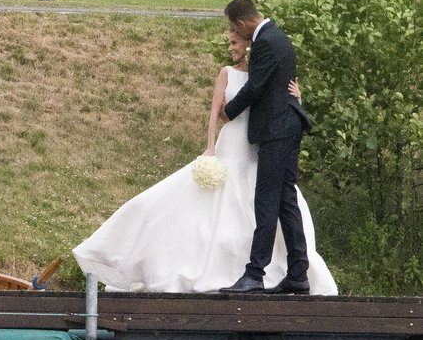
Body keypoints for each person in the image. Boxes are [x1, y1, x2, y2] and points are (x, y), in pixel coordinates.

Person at [71, 28, 337, 295]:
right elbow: (215, 113)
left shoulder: (263, 75)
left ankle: (267, 270)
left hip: (257, 146)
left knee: (262, 204)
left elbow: (277, 103)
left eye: (235, 43)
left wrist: (296, 98)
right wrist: (210, 147)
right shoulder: (227, 73)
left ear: (248, 45)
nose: (231, 48)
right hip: (232, 142)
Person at [219, 0, 315, 294]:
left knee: (267, 200)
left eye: (234, 28)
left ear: (241, 24)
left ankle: (255, 273)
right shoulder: (279, 37)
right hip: (287, 127)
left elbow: (256, 86)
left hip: (276, 130)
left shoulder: (266, 42)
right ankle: (298, 272)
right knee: (285, 199)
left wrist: (228, 111)